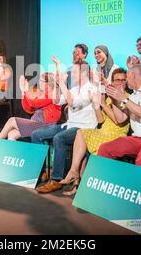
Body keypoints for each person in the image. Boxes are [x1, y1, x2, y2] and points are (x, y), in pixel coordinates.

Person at [31, 56, 98, 194]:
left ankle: (56, 180)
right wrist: (56, 85)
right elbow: (57, 101)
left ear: (84, 73)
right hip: (69, 125)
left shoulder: (91, 89)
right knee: (36, 135)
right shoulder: (74, 89)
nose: (72, 75)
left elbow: (72, 102)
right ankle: (42, 171)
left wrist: (61, 83)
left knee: (59, 138)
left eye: (74, 72)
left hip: (84, 128)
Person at [60, 68, 131, 195]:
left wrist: (103, 104)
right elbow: (100, 120)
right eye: (116, 80)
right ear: (112, 82)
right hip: (103, 131)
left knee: (84, 145)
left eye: (122, 80)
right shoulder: (109, 98)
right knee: (81, 133)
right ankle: (74, 172)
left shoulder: (128, 98)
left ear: (127, 81)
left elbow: (118, 121)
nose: (119, 83)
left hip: (117, 135)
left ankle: (79, 184)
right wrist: (97, 104)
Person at [0, 73, 61, 151]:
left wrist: (26, 91)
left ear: (48, 83)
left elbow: (34, 103)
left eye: (41, 80)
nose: (39, 82)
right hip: (35, 123)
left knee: (12, 120)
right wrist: (23, 92)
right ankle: (14, 156)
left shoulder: (52, 95)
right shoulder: (41, 94)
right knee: (11, 134)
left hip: (45, 125)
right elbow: (29, 108)